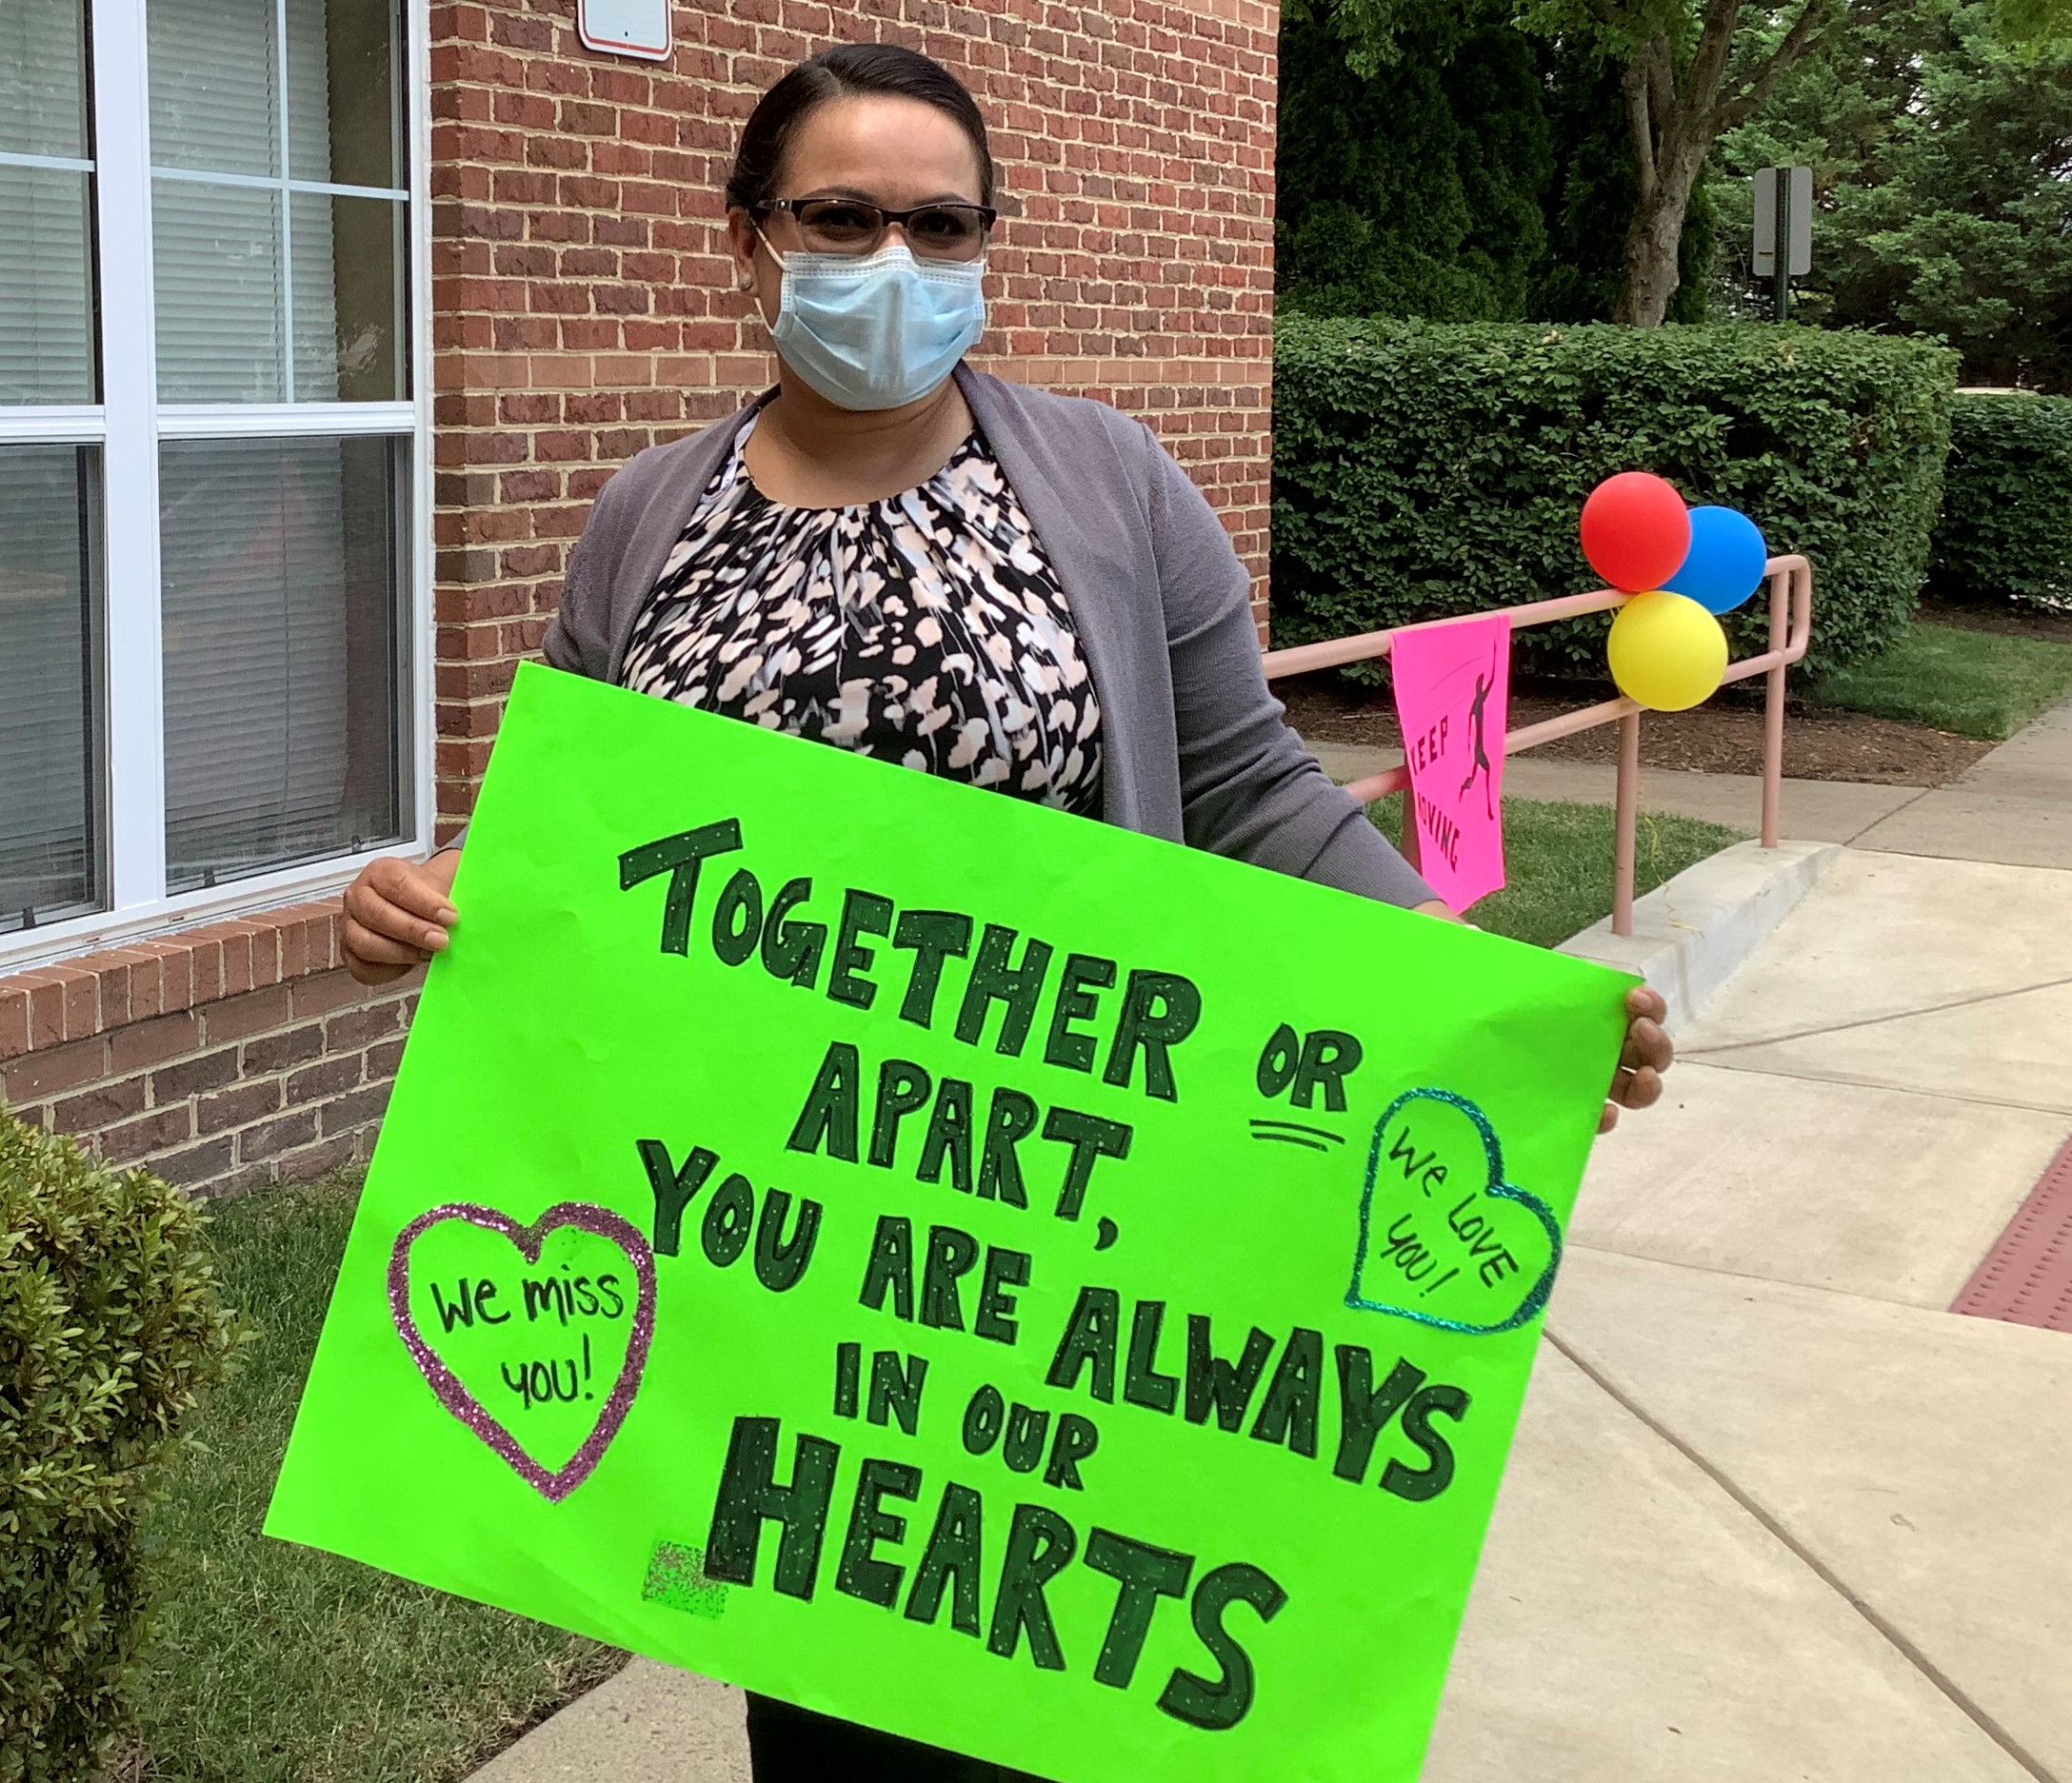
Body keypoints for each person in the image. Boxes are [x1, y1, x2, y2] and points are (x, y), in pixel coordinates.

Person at [341, 41, 1673, 1782]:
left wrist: (1475, 992)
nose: (892, 261)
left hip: (1047, 1233)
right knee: (823, 1701)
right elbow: (566, 837)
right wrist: (426, 897)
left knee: (1061, 1681)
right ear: (750, 235)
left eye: (940, 222)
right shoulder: (644, 518)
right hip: (767, 1253)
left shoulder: (1111, 486)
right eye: (840, 215)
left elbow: (1254, 789)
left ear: (986, 244)